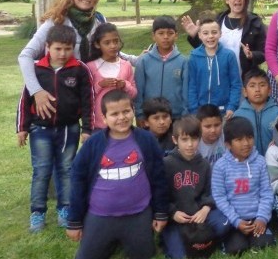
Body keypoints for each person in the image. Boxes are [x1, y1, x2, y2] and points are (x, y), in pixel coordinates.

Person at [66, 90, 169, 259]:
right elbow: (78, 181)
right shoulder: (93, 144)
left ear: (133, 111)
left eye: (126, 111)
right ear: (104, 118)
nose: (122, 117)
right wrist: (74, 221)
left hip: (138, 214)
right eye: (114, 114)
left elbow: (159, 178)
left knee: (144, 254)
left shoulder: (146, 140)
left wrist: (161, 212)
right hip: (100, 214)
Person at [16, 24, 93, 233]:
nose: (62, 53)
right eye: (58, 48)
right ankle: (37, 212)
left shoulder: (79, 69)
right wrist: (21, 128)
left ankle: (64, 209)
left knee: (66, 169)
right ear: (47, 46)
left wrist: (87, 128)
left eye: (67, 48)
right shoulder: (36, 69)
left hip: (69, 129)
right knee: (41, 171)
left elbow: (88, 101)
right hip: (39, 130)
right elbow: (25, 100)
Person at [18, 0, 110, 123]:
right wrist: (36, 91)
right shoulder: (56, 20)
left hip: (89, 91)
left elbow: (109, 50)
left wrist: (137, 59)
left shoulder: (99, 20)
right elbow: (25, 56)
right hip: (61, 94)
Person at [162, 116, 230, 259]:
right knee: (179, 255)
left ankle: (208, 237)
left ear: (199, 139)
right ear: (175, 140)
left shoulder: (204, 164)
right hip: (176, 218)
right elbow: (160, 196)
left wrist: (205, 208)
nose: (190, 144)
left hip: (199, 214)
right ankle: (171, 239)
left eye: (194, 139)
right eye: (185, 140)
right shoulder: (167, 164)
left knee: (224, 223)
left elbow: (211, 191)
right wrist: (173, 213)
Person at [211, 117, 276, 255]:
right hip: (234, 221)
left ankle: (262, 231)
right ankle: (229, 238)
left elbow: (266, 192)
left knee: (265, 244)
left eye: (249, 138)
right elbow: (219, 198)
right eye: (239, 140)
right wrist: (236, 221)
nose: (246, 143)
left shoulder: (260, 162)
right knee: (236, 249)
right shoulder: (220, 166)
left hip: (256, 218)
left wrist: (262, 218)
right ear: (228, 144)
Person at [182, 0, 267, 78]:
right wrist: (194, 36)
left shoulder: (254, 22)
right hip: (219, 79)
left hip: (246, 81)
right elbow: (206, 48)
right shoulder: (218, 21)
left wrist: (251, 55)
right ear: (227, 0)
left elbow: (264, 53)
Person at [134, 16, 188, 124]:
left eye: (170, 33)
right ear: (153, 36)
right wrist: (139, 114)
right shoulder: (144, 61)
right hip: (150, 117)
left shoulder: (183, 62)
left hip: (176, 117)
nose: (166, 37)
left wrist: (185, 115)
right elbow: (139, 91)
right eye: (161, 33)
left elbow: (186, 92)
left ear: (176, 35)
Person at [186, 15, 242, 116]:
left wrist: (232, 106)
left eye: (214, 32)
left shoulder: (229, 56)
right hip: (200, 112)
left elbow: (235, 84)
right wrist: (194, 109)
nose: (210, 36)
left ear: (220, 34)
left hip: (224, 111)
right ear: (199, 35)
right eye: (205, 33)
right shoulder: (194, 56)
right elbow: (192, 86)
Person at [86, 23, 137, 130]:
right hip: (99, 125)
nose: (113, 46)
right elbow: (86, 96)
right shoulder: (91, 67)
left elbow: (134, 93)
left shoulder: (126, 65)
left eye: (115, 41)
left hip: (122, 123)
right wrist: (100, 85)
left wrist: (124, 85)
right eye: (107, 43)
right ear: (97, 44)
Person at [232, 68, 278, 156]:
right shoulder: (238, 116)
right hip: (247, 165)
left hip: (274, 165)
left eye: (262, 85)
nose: (257, 89)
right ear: (245, 92)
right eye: (252, 86)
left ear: (269, 90)